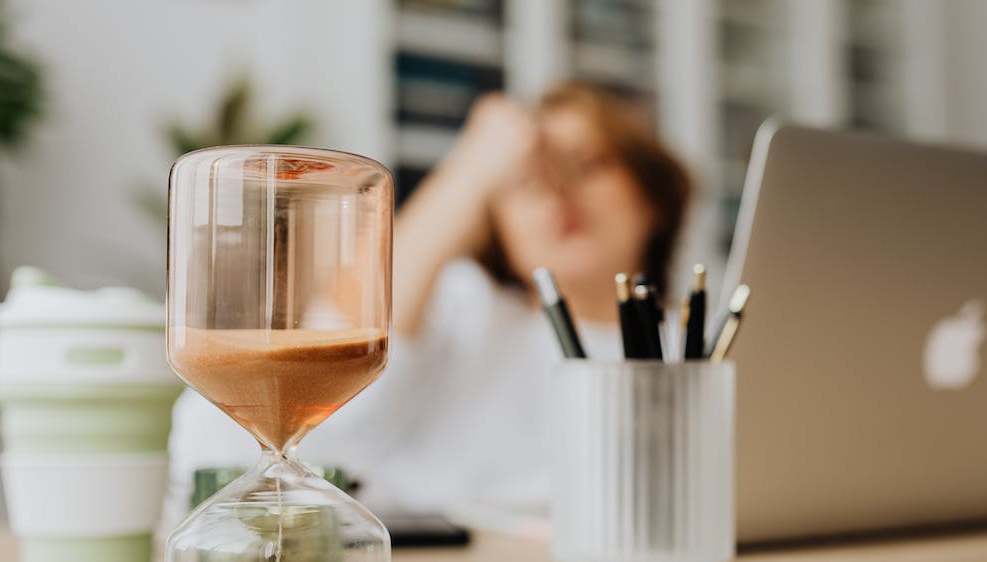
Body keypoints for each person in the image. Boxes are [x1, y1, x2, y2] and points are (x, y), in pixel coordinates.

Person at [167, 82, 693, 518]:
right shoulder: (467, 308)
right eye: (528, 180)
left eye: (586, 165)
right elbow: (319, 370)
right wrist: (470, 170)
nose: (557, 193)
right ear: (499, 232)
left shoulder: (700, 345)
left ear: (653, 196)